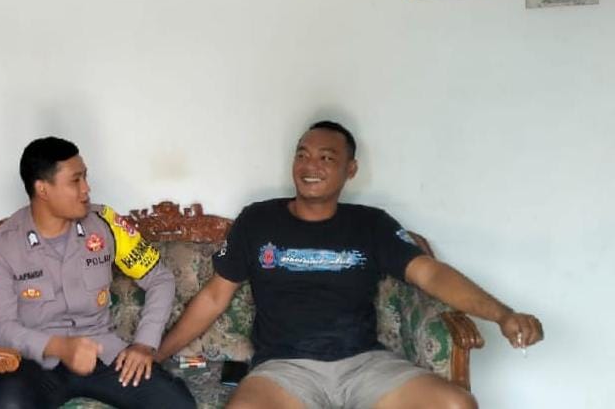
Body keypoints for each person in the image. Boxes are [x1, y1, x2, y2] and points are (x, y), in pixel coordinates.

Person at [156, 121, 544, 409]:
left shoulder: (371, 224)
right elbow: (214, 298)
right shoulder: (258, 221)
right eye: (302, 155)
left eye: (326, 158)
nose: (310, 165)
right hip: (284, 370)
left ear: (351, 169)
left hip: (365, 365)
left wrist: (502, 314)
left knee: (457, 405)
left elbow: (430, 273)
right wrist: (156, 353)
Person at [0, 137, 196, 409]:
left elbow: (160, 279)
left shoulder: (105, 225)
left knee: (176, 404)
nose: (86, 189)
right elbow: (2, 327)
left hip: (102, 354)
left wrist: (144, 344)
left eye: (85, 178)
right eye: (75, 181)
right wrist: (60, 347)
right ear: (43, 189)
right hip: (34, 364)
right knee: (8, 404)